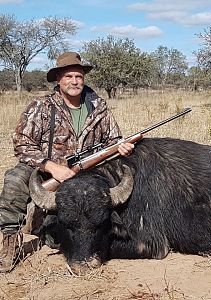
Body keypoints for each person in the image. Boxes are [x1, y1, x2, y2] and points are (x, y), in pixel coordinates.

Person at [0, 52, 134, 272]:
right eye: (69, 76)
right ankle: (10, 242)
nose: (74, 81)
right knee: (14, 180)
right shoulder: (41, 106)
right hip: (44, 168)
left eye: (79, 76)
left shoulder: (98, 107)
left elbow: (112, 140)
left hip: (86, 173)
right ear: (58, 80)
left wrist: (122, 147)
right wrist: (51, 167)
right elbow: (22, 143)